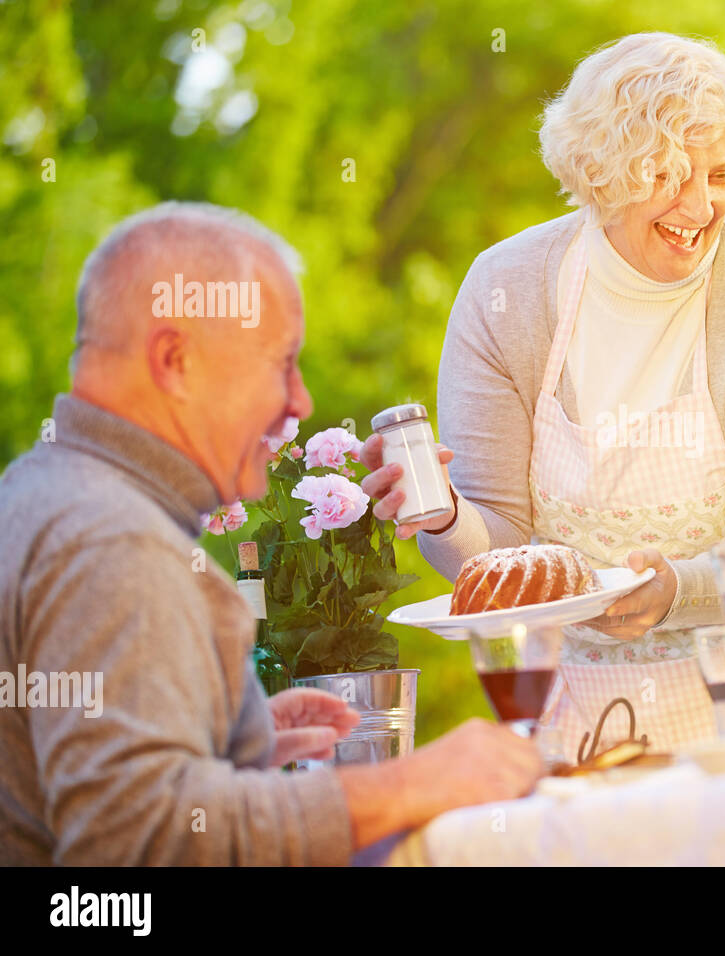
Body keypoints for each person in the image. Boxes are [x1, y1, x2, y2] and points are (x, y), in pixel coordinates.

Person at [0, 203, 542, 866]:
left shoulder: (37, 492)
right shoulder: (115, 541)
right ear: (174, 360)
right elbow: (140, 841)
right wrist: (405, 784)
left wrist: (225, 745)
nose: (300, 402)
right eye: (280, 363)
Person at [361, 33, 725, 756]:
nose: (701, 207)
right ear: (603, 169)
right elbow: (502, 558)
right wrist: (446, 515)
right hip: (568, 714)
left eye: (722, 175)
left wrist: (675, 592)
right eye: (670, 176)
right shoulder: (504, 290)